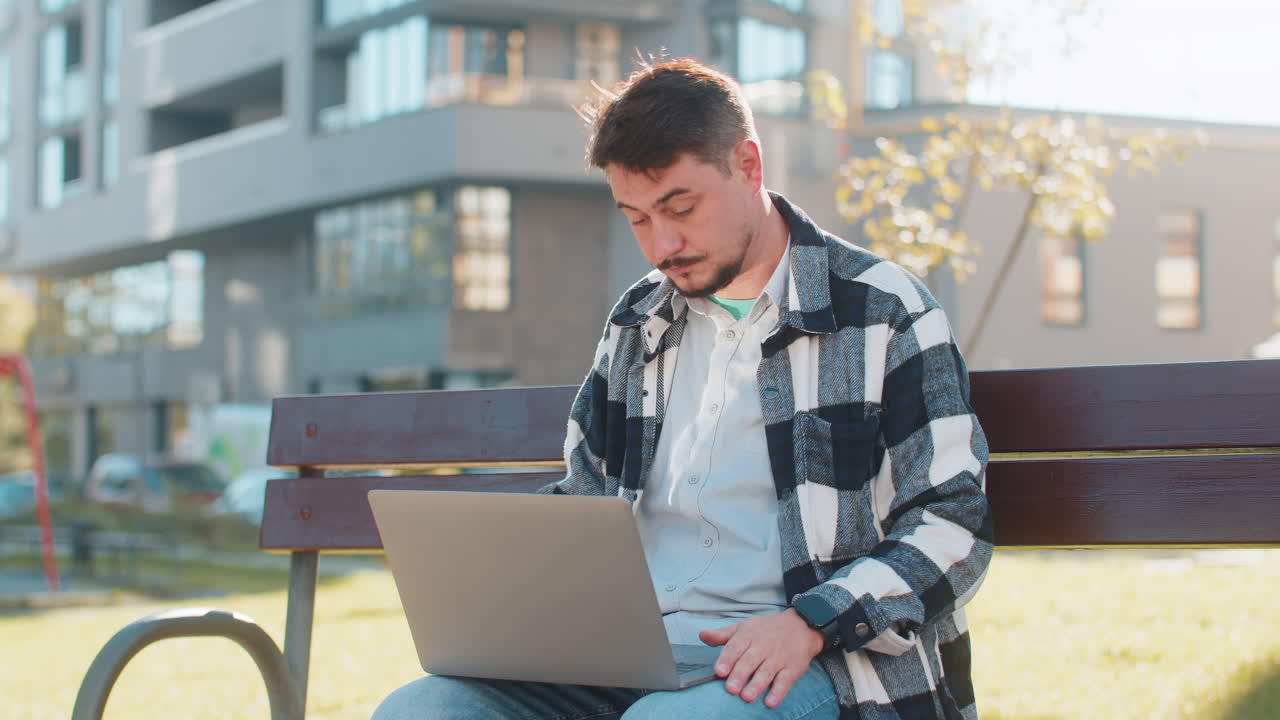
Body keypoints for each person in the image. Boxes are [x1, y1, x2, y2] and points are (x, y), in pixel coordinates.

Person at [374, 58, 991, 720]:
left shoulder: (882, 310)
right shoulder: (639, 323)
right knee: (423, 709)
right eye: (636, 217)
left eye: (680, 206)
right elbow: (588, 502)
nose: (662, 244)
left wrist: (812, 620)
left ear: (749, 165)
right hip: (627, 656)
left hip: (815, 656)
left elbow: (952, 523)